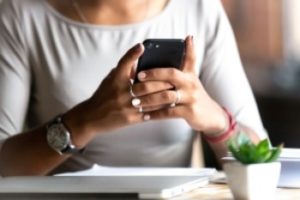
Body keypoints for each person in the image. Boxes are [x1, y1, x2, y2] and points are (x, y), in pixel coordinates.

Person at [0, 0, 267, 176]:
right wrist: (83, 121)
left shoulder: (199, 9)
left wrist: (217, 121)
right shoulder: (20, 14)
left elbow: (262, 160)